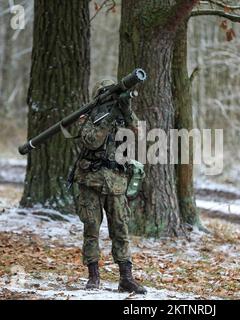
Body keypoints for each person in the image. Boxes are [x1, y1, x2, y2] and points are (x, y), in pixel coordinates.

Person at [73, 79, 146, 294]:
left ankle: (126, 277)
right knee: (92, 229)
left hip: (116, 183)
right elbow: (91, 141)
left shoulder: (122, 116)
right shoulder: (88, 117)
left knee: (120, 229)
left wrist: (125, 109)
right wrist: (108, 118)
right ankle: (93, 276)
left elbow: (137, 132)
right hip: (90, 181)